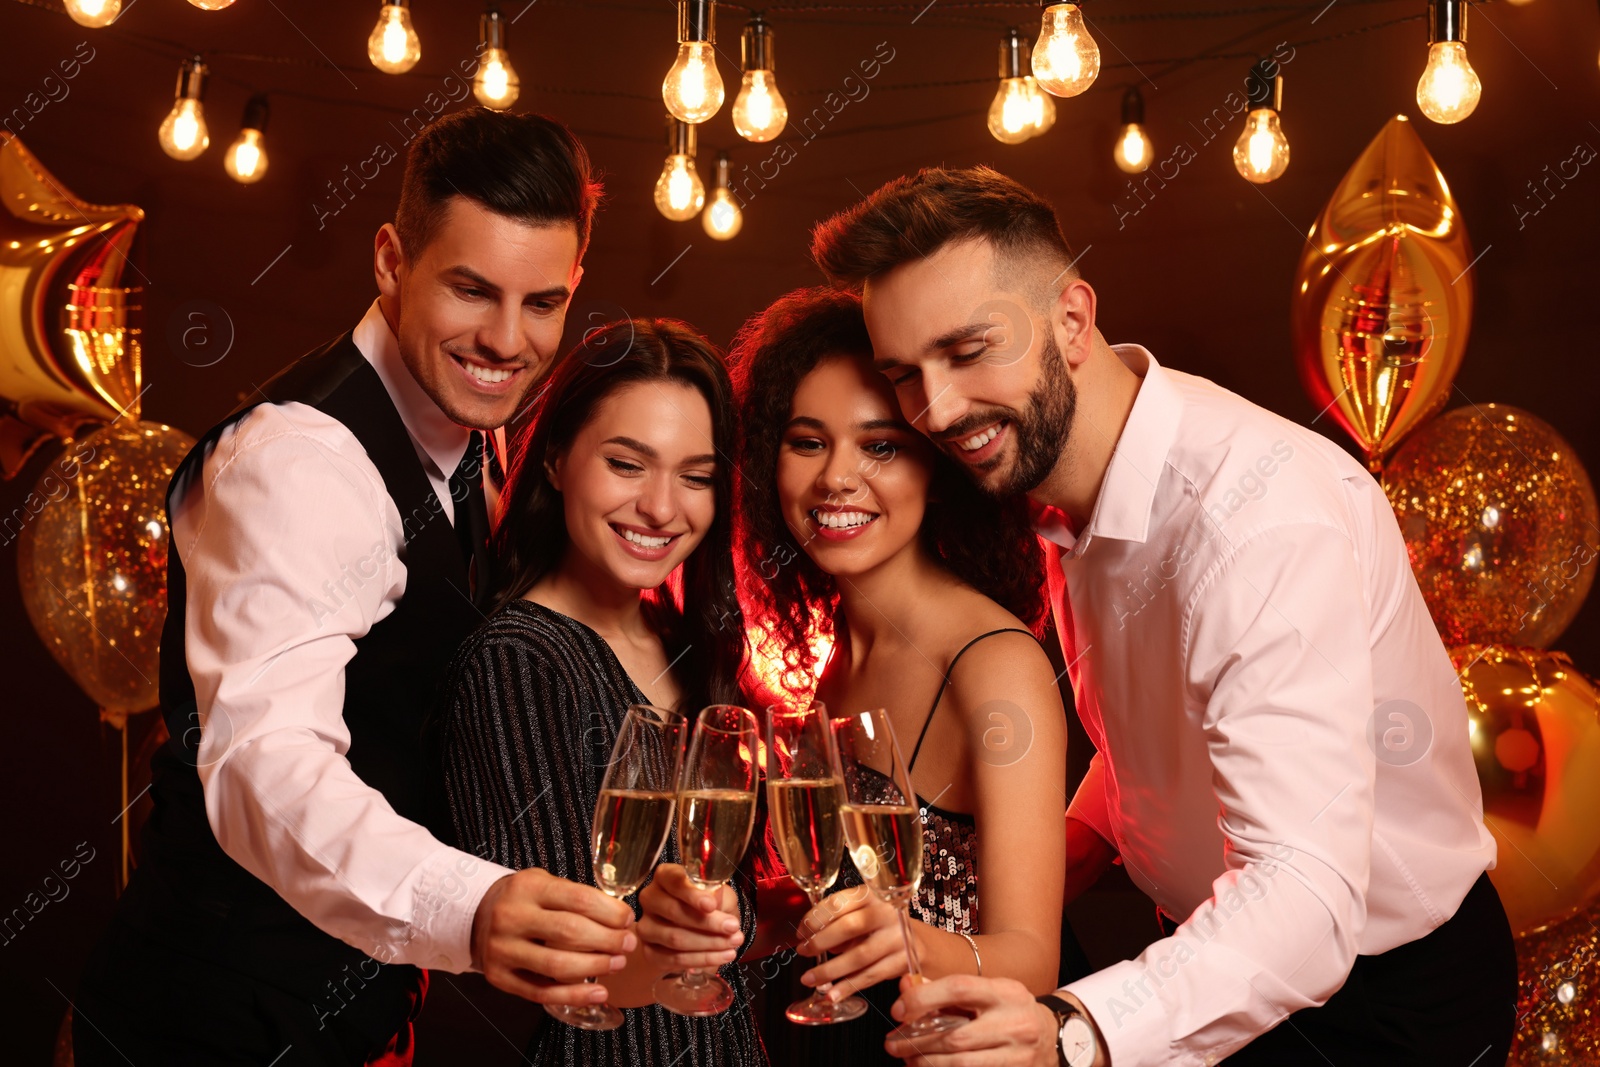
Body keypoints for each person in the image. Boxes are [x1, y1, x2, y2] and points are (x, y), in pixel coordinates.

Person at [807, 166, 1518, 1066]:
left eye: (968, 348)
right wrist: (1062, 849)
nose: (937, 408)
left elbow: (1305, 895)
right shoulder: (1051, 490)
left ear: (1071, 320)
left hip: (1387, 1002)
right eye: (906, 373)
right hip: (1216, 962)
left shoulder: (1258, 518)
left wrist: (1074, 1031)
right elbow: (1173, 725)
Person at [73, 109, 641, 1066]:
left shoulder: (477, 434)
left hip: (355, 1010)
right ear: (390, 261)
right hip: (213, 1017)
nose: (507, 341)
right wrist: (472, 905)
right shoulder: (300, 463)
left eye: (542, 303)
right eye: (471, 290)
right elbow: (266, 762)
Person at [730, 287, 1069, 1063]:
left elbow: (1033, 959)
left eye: (879, 446)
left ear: (938, 465)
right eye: (807, 442)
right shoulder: (832, 663)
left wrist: (909, 942)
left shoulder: (995, 661)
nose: (836, 480)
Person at [438, 318, 767, 1066]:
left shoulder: (687, 648)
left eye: (696, 475)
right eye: (627, 463)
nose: (661, 507)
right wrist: (687, 941)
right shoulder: (518, 657)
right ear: (555, 457)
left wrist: (721, 914)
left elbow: (736, 905)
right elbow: (561, 962)